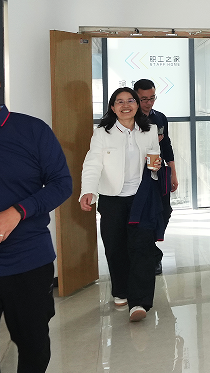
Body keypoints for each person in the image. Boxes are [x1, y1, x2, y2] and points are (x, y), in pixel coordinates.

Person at [79, 87, 163, 323]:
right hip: (111, 198)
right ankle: (121, 290)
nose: (126, 105)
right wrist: (88, 190)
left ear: (137, 104)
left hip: (141, 197)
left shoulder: (149, 129)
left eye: (130, 101)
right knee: (115, 247)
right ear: (112, 107)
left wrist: (156, 166)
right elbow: (93, 163)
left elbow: (154, 159)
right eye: (120, 102)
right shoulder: (102, 133)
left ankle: (139, 302)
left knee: (142, 248)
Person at [0, 97, 72, 372]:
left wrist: (18, 211)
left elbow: (61, 183)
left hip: (27, 259)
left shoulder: (31, 130)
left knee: (33, 345)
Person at [133, 79, 178, 276]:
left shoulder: (159, 118)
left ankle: (151, 250)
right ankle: (151, 256)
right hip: (136, 175)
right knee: (143, 216)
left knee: (164, 211)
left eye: (152, 98)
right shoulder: (129, 119)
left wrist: (173, 172)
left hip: (158, 172)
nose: (149, 103)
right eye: (144, 99)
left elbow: (166, 146)